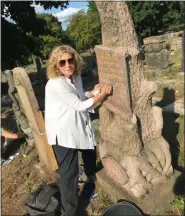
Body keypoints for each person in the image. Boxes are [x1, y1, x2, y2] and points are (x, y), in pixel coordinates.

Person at [45, 45, 112, 216]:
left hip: (76, 125)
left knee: (89, 149)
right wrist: (102, 95)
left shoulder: (76, 76)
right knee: (69, 174)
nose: (68, 64)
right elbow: (79, 106)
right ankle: (69, 211)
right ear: (56, 65)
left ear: (75, 60)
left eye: (70, 60)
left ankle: (90, 174)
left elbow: (80, 96)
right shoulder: (55, 84)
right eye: (62, 62)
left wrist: (93, 92)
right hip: (63, 131)